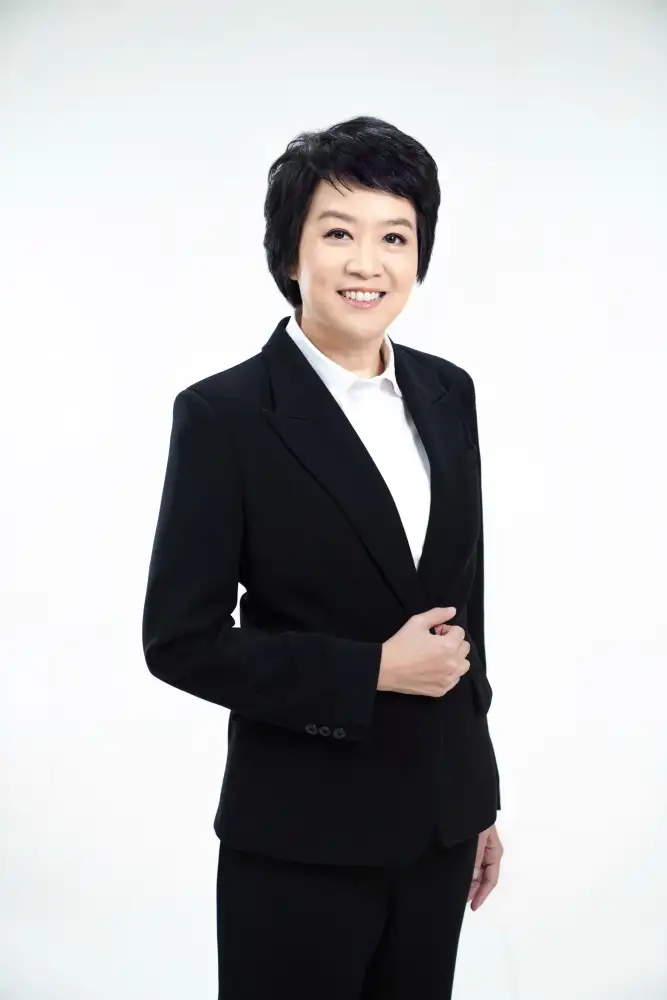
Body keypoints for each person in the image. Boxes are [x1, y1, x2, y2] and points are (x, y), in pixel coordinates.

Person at [142, 115, 503, 1000]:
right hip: (300, 840)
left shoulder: (447, 392)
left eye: (394, 237)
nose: (366, 263)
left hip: (438, 827)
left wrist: (477, 794)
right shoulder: (225, 415)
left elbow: (463, 606)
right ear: (290, 251)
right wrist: (370, 670)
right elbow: (179, 640)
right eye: (338, 233)